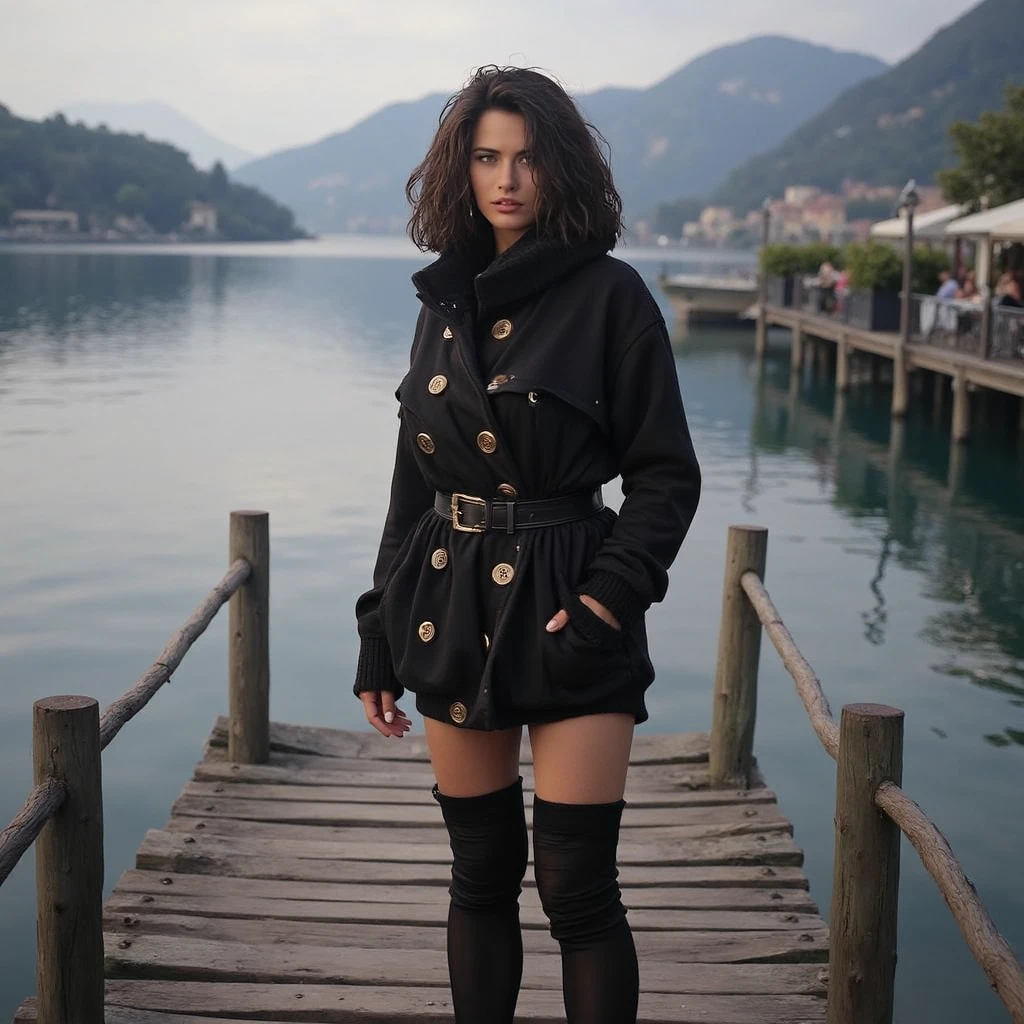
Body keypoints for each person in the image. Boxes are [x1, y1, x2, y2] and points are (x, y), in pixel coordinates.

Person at [352, 66, 701, 1024]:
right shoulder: (442, 301)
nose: (506, 179)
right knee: (480, 873)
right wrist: (379, 629)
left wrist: (607, 600)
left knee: (577, 888)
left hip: (571, 602)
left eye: (528, 158)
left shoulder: (612, 296)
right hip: (452, 602)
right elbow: (412, 486)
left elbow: (666, 476)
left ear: (562, 169)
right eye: (486, 157)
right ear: (458, 171)